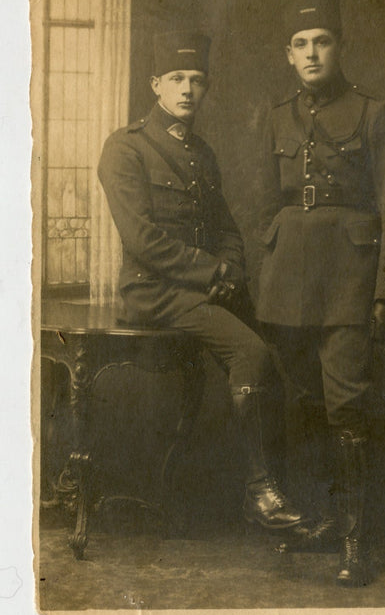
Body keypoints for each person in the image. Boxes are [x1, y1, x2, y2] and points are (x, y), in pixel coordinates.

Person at [98, 30, 305, 533]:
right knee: (250, 355)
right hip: (155, 293)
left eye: (196, 80)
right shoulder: (125, 150)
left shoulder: (203, 153)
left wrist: (230, 269)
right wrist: (212, 273)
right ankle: (259, 495)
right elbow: (143, 240)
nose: (187, 89)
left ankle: (281, 484)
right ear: (155, 85)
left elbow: (228, 229)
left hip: (201, 291)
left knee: (280, 352)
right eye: (176, 79)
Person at [256, 0, 385, 585]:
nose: (311, 53)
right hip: (285, 290)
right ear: (287, 55)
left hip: (349, 287)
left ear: (340, 46)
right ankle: (326, 517)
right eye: (300, 44)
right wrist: (264, 274)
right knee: (305, 407)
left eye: (321, 41)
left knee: (347, 409)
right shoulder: (275, 116)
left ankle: (356, 541)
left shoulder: (376, 114)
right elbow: (261, 207)